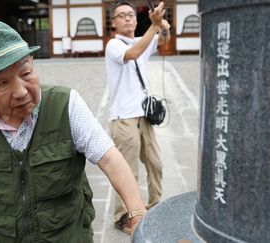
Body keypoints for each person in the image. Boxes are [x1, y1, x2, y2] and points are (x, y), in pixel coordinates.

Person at [0, 21, 146, 243]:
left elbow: (110, 158)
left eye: (26, 73)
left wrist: (137, 215)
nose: (20, 91)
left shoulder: (66, 105)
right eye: (2, 83)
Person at [105, 0, 171, 234]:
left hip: (143, 115)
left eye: (130, 14)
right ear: (114, 23)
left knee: (156, 164)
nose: (127, 18)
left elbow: (162, 39)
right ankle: (123, 216)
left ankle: (152, 207)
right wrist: (153, 27)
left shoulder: (140, 41)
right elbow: (132, 54)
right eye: (121, 15)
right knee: (127, 170)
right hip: (123, 118)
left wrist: (163, 25)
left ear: (136, 18)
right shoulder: (114, 45)